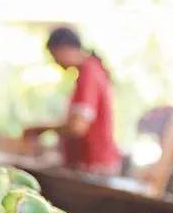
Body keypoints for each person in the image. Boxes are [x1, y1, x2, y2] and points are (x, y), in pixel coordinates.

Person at [22, 27, 121, 175]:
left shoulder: (89, 73)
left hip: (94, 165)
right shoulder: (88, 71)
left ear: (64, 49)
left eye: (54, 55)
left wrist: (41, 129)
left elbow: (77, 127)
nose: (55, 62)